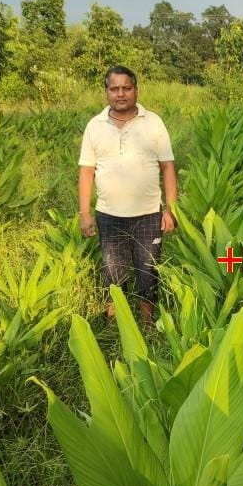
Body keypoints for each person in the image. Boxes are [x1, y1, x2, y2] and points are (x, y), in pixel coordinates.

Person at [78, 65, 178, 327]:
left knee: (148, 272)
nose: (120, 94)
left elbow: (167, 167)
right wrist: (85, 213)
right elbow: (86, 171)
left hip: (148, 214)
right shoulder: (94, 126)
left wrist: (170, 209)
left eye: (126, 88)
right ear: (107, 92)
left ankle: (147, 324)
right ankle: (114, 323)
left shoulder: (153, 122)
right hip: (109, 216)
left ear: (136, 90)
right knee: (113, 272)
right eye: (115, 88)